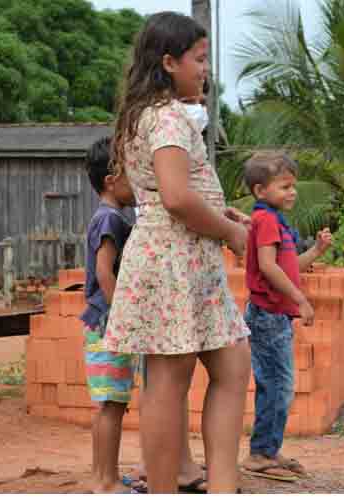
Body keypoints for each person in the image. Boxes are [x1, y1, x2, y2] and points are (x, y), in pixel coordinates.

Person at [103, 12, 251, 494]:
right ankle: (166, 488)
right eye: (200, 59)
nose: (206, 68)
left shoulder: (150, 114)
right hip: (173, 259)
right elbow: (175, 197)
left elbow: (177, 192)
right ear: (169, 62)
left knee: (230, 363)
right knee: (169, 379)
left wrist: (222, 214)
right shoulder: (166, 117)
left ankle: (221, 487)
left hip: (186, 257)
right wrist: (229, 233)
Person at [240, 152, 333, 481]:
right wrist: (300, 299)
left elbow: (291, 266)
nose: (292, 192)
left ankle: (268, 448)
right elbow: (268, 266)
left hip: (276, 316)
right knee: (277, 386)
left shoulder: (276, 220)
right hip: (268, 314)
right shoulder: (265, 220)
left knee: (279, 386)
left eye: (293, 185)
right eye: (284, 186)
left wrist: (317, 252)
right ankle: (260, 453)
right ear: (260, 191)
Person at [80, 136, 137, 494]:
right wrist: (123, 319)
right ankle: (107, 481)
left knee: (108, 404)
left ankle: (103, 476)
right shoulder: (111, 220)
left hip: (100, 322)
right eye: (131, 173)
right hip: (108, 323)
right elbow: (104, 272)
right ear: (111, 180)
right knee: (112, 405)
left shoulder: (107, 216)